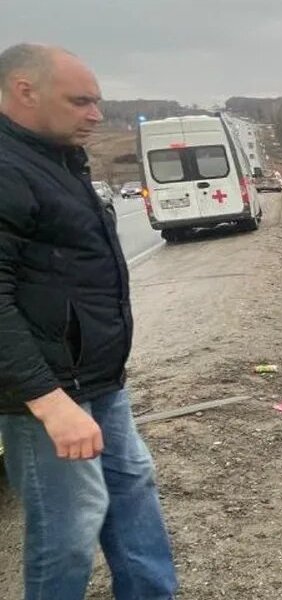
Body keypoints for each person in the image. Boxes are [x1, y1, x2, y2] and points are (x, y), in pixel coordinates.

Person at [0, 43, 177, 599]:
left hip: (98, 381)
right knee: (68, 533)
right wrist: (50, 403)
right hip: (47, 397)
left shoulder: (54, 159)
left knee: (131, 496)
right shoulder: (6, 168)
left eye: (97, 102)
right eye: (81, 102)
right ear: (24, 91)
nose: (97, 116)